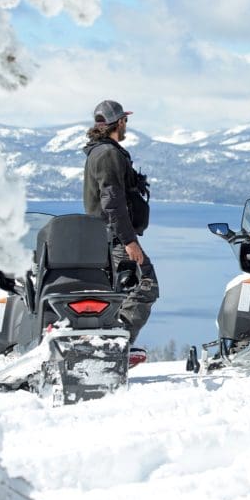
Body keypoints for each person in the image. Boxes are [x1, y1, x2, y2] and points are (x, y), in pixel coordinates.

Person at [82, 99, 159, 364]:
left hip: (106, 237)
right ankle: (114, 351)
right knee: (145, 286)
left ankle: (107, 347)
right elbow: (112, 202)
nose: (127, 125)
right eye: (126, 120)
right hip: (115, 239)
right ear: (120, 122)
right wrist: (129, 241)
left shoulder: (102, 152)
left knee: (119, 293)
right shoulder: (108, 154)